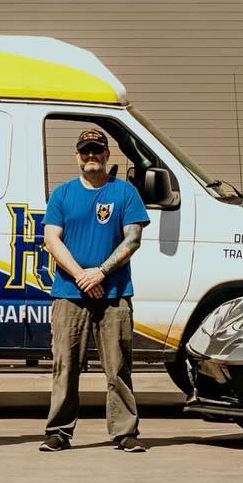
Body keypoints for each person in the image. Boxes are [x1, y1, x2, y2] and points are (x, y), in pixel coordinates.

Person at [39, 128, 151, 453]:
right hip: (68, 293)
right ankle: (58, 432)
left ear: (107, 154)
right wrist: (81, 276)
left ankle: (125, 432)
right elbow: (51, 239)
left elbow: (133, 239)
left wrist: (101, 272)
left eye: (97, 150)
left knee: (118, 367)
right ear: (77, 155)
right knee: (65, 366)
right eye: (85, 150)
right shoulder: (62, 194)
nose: (91, 155)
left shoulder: (125, 193)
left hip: (114, 293)